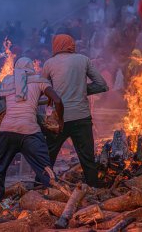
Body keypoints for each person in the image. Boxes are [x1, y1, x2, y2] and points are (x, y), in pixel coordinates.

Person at [0, 57, 64, 201]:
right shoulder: (39, 81)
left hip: (7, 131)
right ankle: (56, 198)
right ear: (32, 67)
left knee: (0, 169)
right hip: (29, 131)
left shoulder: (7, 82)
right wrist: (60, 121)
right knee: (45, 167)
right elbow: (57, 100)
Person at [42, 34, 108, 188]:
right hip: (81, 117)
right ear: (71, 45)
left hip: (60, 119)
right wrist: (82, 90)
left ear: (56, 46)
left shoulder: (49, 63)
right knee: (87, 158)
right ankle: (94, 189)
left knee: (49, 156)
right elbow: (102, 85)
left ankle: (42, 186)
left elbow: (43, 88)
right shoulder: (83, 59)